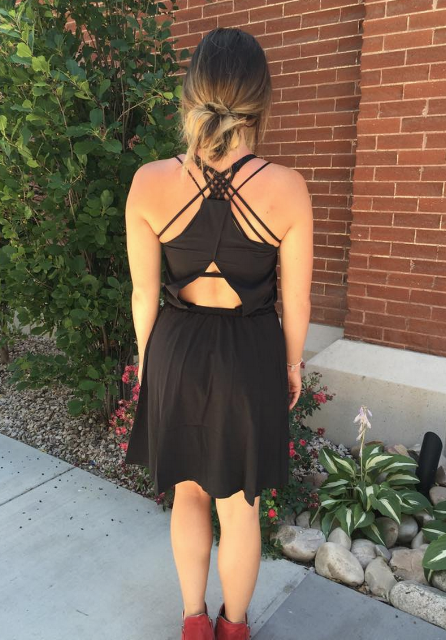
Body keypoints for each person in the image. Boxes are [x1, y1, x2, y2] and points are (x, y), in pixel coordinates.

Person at [124, 26, 313, 640]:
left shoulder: (148, 182)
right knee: (240, 507)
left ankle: (194, 623)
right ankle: (234, 629)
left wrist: (149, 365)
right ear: (261, 101)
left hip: (177, 350)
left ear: (189, 94)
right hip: (249, 355)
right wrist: (292, 366)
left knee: (187, 495)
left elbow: (143, 295)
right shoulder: (288, 189)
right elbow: (296, 299)